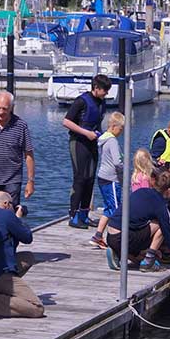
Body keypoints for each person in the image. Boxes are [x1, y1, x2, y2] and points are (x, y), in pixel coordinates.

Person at [0, 191, 45, 319]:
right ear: (6, 204)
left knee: (27, 257)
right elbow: (27, 237)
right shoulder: (6, 215)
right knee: (36, 308)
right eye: (12, 204)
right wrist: (18, 218)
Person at [104, 171, 170, 272]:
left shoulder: (141, 191)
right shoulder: (160, 206)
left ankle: (119, 252)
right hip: (123, 237)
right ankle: (148, 261)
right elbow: (168, 234)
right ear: (168, 190)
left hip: (111, 235)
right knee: (161, 226)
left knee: (140, 255)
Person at [62, 74, 109, 229]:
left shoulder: (102, 102)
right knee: (80, 178)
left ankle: (84, 214)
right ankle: (73, 215)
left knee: (90, 179)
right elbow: (66, 121)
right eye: (104, 90)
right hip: (78, 142)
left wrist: (101, 136)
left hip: (92, 143)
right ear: (96, 88)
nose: (106, 93)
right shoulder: (81, 101)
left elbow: (98, 124)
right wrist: (85, 132)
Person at [90, 112, 125, 249]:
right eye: (121, 129)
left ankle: (98, 236)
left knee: (109, 207)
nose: (121, 132)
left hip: (102, 177)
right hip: (111, 179)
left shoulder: (103, 139)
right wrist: (123, 171)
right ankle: (117, 239)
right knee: (117, 211)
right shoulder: (112, 141)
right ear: (114, 126)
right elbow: (117, 162)